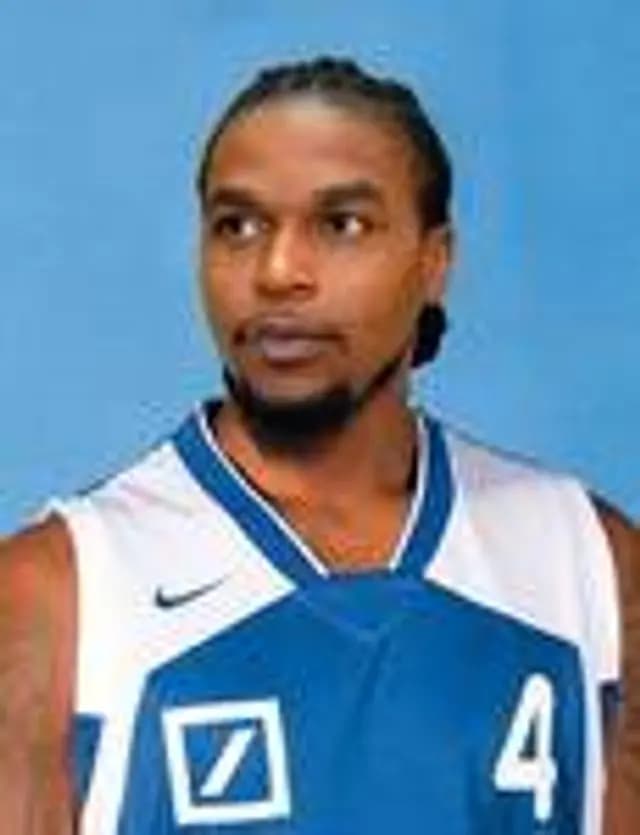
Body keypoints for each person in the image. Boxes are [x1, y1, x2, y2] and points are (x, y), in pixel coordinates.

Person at [0, 56, 637, 835]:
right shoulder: (58, 588)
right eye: (238, 226)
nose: (278, 272)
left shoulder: (588, 559)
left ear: (435, 261)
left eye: (342, 225)